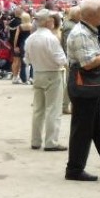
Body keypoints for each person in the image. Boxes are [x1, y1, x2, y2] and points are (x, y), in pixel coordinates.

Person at [64, 0, 100, 181]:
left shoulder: (89, 30)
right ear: (90, 15)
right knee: (82, 130)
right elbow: (88, 64)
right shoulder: (81, 33)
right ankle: (74, 169)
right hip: (84, 86)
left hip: (91, 88)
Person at [24, 10, 67, 152]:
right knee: (53, 109)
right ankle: (51, 141)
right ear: (48, 21)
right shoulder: (51, 38)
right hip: (52, 73)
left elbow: (27, 59)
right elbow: (60, 59)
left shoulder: (31, 38)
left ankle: (35, 140)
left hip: (38, 73)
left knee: (38, 109)